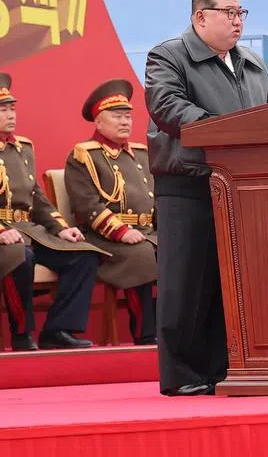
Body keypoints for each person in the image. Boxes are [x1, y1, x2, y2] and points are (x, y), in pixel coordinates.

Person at [145, 0, 268, 396]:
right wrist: (226, 132)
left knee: (232, 282)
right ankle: (183, 375)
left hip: (244, 185)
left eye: (241, 13)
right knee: (187, 283)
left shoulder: (251, 62)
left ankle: (227, 368)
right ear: (200, 17)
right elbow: (167, 106)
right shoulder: (169, 55)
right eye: (229, 12)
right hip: (189, 181)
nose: (237, 21)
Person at [0, 73, 103, 352]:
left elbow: (36, 198)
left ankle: (58, 330)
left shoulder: (22, 148)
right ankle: (21, 334)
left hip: (30, 232)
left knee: (84, 255)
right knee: (20, 256)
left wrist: (61, 228)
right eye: (2, 109)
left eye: (12, 109)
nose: (11, 115)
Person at [65, 79, 158, 345]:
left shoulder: (141, 153)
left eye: (128, 116)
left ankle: (174, 327)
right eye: (117, 116)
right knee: (140, 255)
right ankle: (145, 332)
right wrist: (121, 231)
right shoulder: (85, 155)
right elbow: (87, 205)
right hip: (105, 237)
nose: (125, 122)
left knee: (178, 253)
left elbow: (156, 198)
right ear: (98, 121)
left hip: (146, 232)